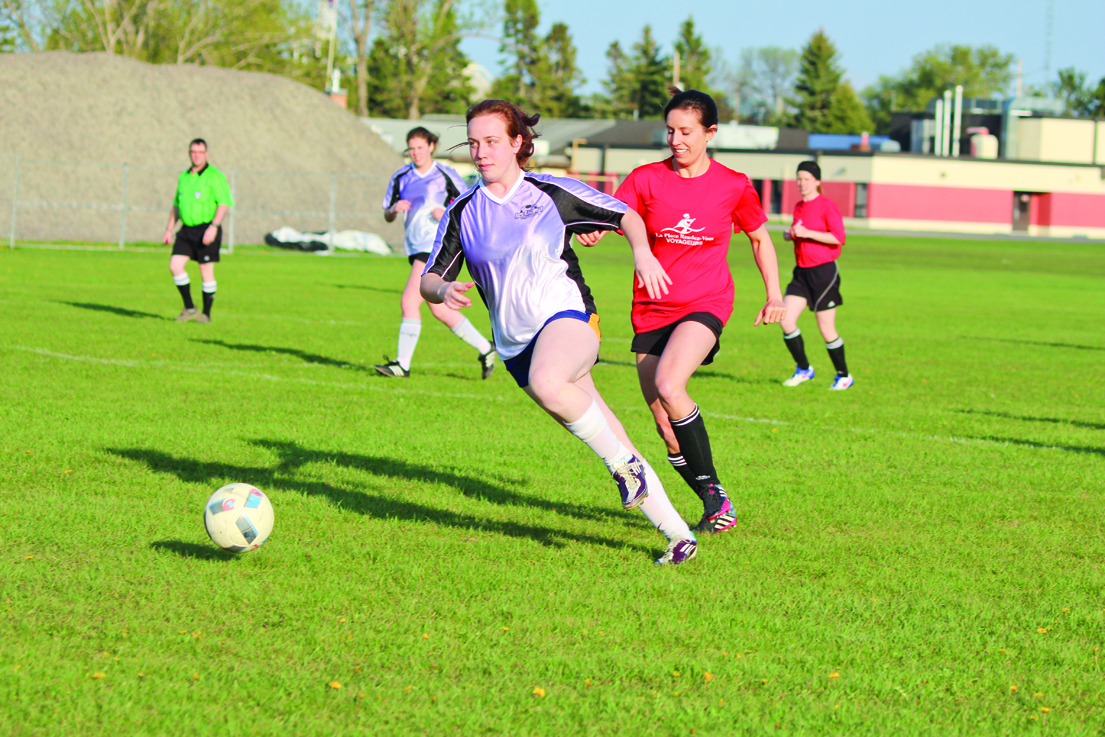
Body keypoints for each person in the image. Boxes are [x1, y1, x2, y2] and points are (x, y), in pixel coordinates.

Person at [420, 100, 698, 566]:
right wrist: (443, 288)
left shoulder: (551, 191)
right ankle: (678, 535)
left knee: (561, 395)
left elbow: (625, 215)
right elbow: (429, 278)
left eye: (491, 141)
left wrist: (644, 254)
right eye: (473, 142)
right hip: (517, 351)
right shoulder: (461, 211)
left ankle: (623, 468)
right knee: (608, 434)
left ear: (516, 142)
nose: (481, 151)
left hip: (569, 321)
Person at [578, 89, 786, 536]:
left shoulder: (733, 184)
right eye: (670, 130)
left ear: (710, 133)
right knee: (663, 422)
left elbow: (759, 239)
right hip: (650, 308)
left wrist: (775, 295)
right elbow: (615, 216)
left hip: (705, 302)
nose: (676, 139)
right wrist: (595, 231)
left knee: (672, 385)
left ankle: (712, 494)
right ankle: (717, 502)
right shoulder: (645, 178)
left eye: (686, 131)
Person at [376, 127, 496, 380]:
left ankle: (401, 365)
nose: (415, 153)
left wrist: (446, 213)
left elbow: (469, 205)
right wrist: (394, 209)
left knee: (409, 302)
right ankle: (486, 348)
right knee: (439, 309)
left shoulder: (445, 174)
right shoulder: (401, 177)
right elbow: (387, 215)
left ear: (431, 146)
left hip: (437, 247)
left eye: (420, 148)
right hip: (415, 246)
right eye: (411, 148)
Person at [779, 160, 854, 390]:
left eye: (806, 179)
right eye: (799, 179)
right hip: (801, 272)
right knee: (785, 319)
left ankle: (843, 376)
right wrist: (792, 235)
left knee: (825, 328)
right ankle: (804, 369)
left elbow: (838, 237)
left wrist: (807, 233)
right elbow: (802, 231)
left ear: (817, 181)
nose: (801, 183)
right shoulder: (799, 206)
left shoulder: (827, 206)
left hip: (823, 272)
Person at [163, 139, 233, 323]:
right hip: (186, 230)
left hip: (207, 228)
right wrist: (169, 229)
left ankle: (206, 314)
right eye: (193, 151)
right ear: (189, 153)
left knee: (205, 270)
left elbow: (224, 202)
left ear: (206, 154)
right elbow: (177, 205)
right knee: (175, 266)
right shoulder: (184, 177)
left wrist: (214, 227)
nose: (196, 155)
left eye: (200, 152)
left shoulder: (214, 176)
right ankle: (189, 307)